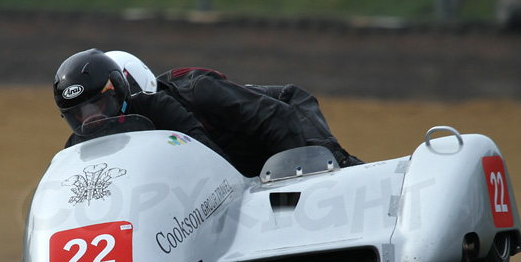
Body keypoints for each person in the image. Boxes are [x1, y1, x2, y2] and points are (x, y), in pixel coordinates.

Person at [104, 51, 364, 177]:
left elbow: (279, 117)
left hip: (290, 116)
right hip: (252, 159)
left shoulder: (198, 90)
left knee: (334, 169)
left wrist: (289, 192)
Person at [53, 48, 229, 161]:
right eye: (79, 114)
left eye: (97, 105)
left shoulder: (158, 107)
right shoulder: (75, 147)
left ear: (118, 91)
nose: (91, 118)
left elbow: (208, 154)